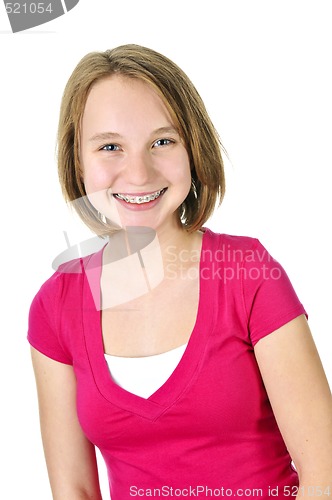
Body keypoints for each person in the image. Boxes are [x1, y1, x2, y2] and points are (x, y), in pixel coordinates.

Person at [28, 44, 332, 500]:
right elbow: (73, 490)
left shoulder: (248, 275)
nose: (138, 172)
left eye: (162, 142)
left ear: (193, 147)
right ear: (78, 160)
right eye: (110, 147)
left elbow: (323, 470)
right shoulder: (55, 307)